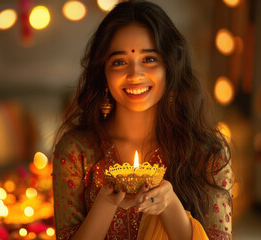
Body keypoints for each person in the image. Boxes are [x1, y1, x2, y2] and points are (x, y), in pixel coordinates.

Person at [52, 1, 234, 240]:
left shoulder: (207, 153)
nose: (135, 75)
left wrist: (170, 206)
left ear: (170, 67)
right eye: (119, 62)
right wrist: (105, 204)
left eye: (149, 59)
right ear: (102, 72)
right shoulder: (77, 151)